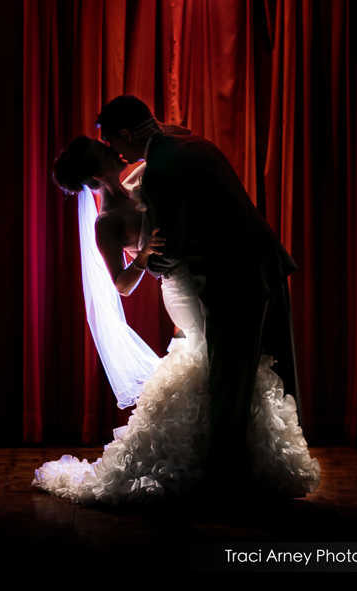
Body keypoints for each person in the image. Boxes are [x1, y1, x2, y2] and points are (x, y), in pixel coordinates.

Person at [32, 113, 319, 505]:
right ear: (95, 176)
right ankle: (213, 464)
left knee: (220, 364)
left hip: (198, 276)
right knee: (209, 363)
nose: (113, 150)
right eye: (103, 151)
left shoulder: (144, 178)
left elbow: (178, 143)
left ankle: (231, 461)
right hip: (181, 291)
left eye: (109, 143)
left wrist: (151, 130)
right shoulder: (107, 222)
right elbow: (121, 285)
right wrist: (143, 256)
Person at [97, 95, 304, 490]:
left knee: (227, 383)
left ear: (125, 134)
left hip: (230, 280)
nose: (116, 153)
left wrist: (148, 260)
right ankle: (249, 472)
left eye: (113, 142)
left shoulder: (158, 171)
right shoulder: (195, 145)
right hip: (262, 261)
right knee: (258, 373)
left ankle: (223, 484)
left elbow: (170, 248)